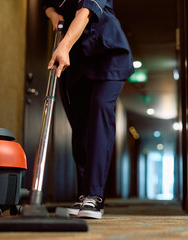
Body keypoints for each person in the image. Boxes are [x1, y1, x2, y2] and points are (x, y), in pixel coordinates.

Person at [43, 0, 134, 219]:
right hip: (78, 61)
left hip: (107, 53)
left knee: (100, 112)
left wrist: (62, 46)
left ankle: (95, 195)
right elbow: (46, 3)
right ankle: (84, 195)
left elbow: (84, 13)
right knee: (80, 125)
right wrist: (53, 15)